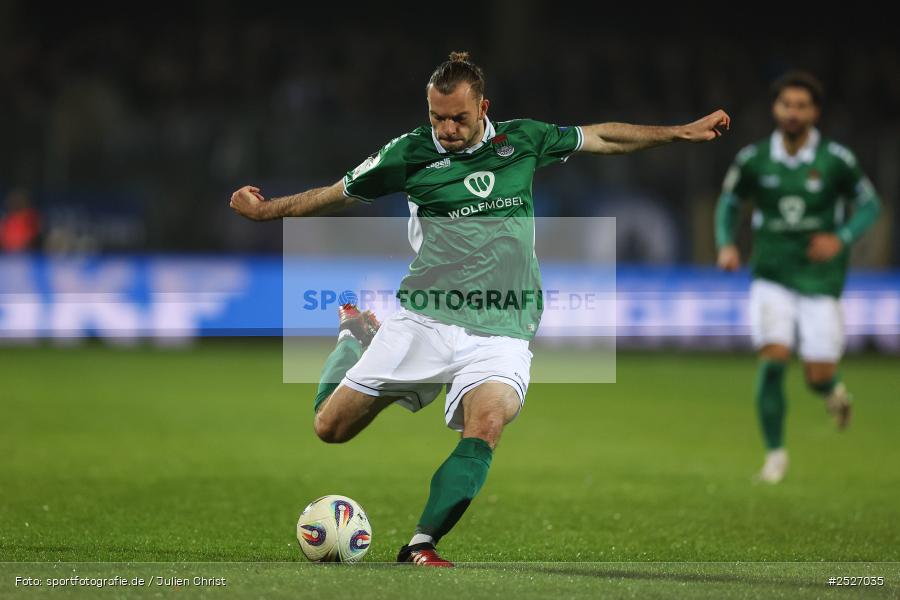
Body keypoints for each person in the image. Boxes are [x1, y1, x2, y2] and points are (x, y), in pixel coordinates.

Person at [232, 51, 730, 565]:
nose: (446, 128)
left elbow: (600, 136)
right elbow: (340, 194)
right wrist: (268, 211)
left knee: (487, 424)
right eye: (436, 117)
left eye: (458, 118)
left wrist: (678, 132)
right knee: (329, 429)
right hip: (425, 319)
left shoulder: (523, 139)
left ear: (483, 107)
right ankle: (355, 337)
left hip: (502, 328)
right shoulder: (407, 154)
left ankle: (421, 545)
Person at [715, 70, 881, 484]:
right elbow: (729, 203)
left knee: (817, 375)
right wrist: (726, 243)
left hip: (820, 277)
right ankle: (775, 456)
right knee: (773, 360)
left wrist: (841, 238)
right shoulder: (755, 158)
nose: (792, 112)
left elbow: (870, 206)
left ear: (815, 112)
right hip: (771, 272)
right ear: (775, 109)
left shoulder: (836, 161)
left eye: (801, 105)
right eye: (786, 104)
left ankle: (834, 390)